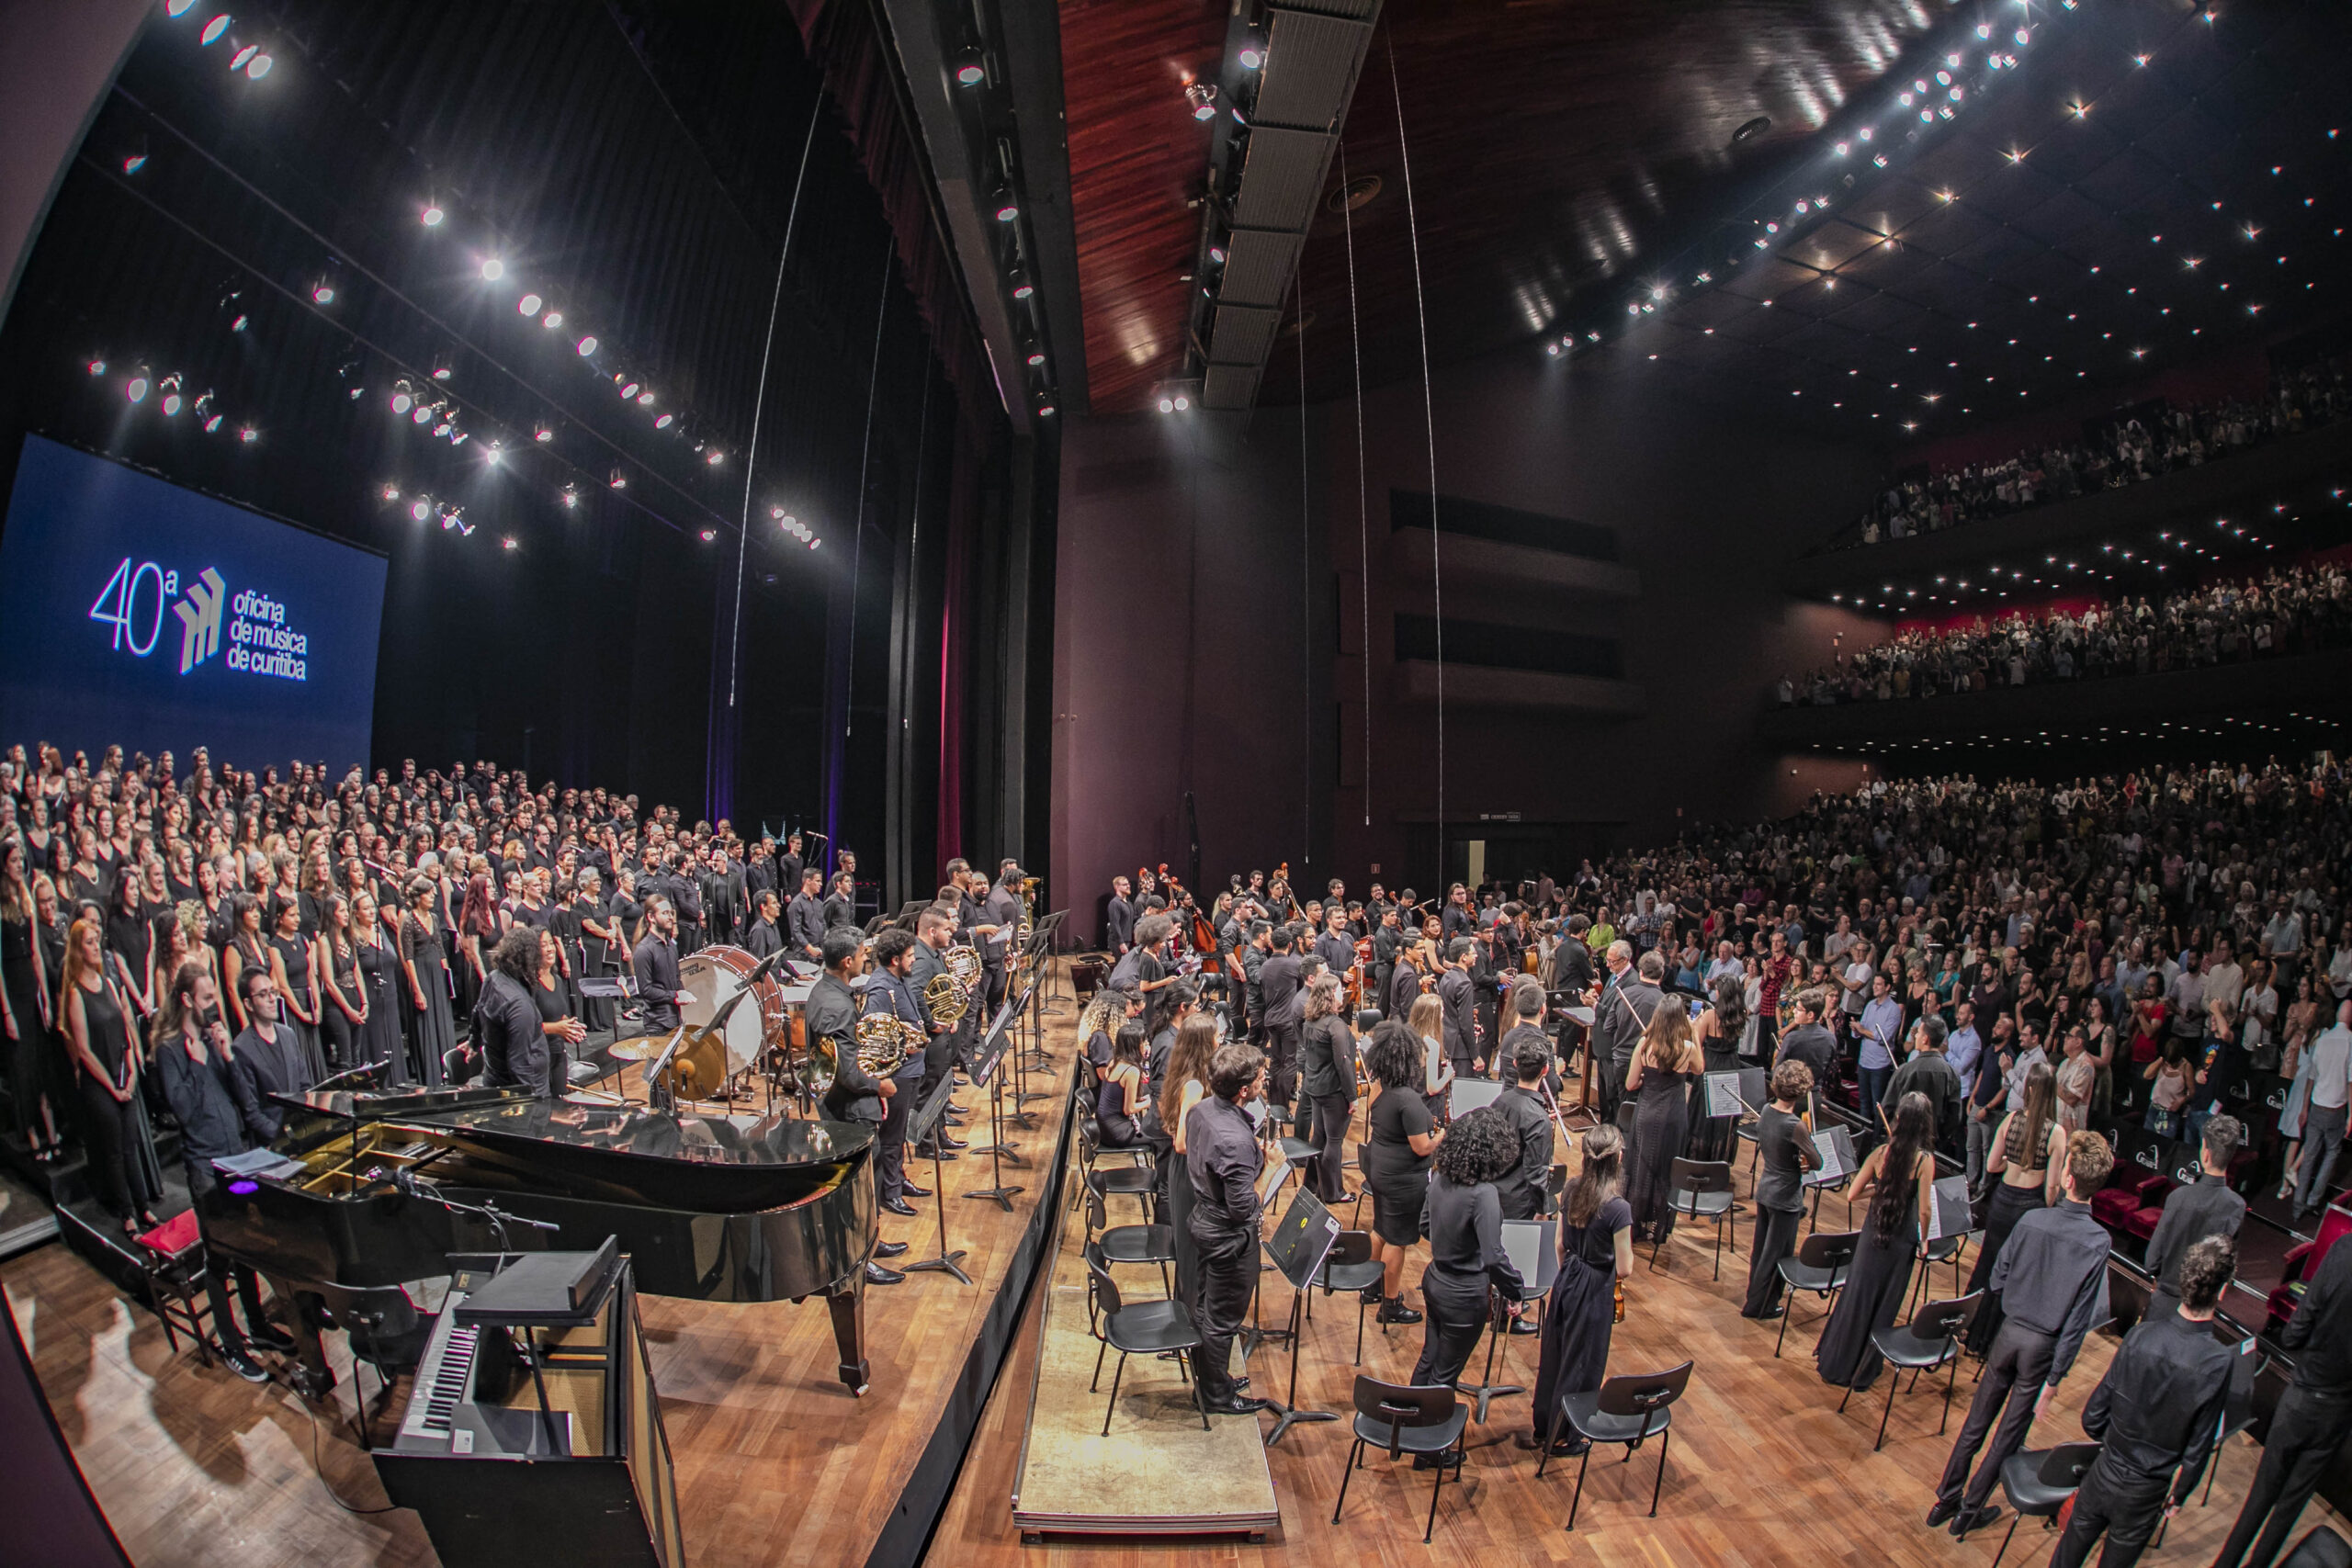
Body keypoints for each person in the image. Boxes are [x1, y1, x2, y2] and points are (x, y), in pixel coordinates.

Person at [1930, 1130, 2115, 1539]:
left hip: (2008, 1334)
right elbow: (2078, 1321)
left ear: (2067, 1176)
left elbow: (1997, 1278)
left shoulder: (2033, 1220)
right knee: (2008, 1435)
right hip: (2043, 1347)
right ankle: (1970, 1510)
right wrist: (2055, 1380)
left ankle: (1946, 1498)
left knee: (1976, 1424)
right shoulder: (2098, 1241)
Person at [2047, 1236, 2237, 1568]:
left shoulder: (2139, 1336)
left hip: (2104, 1472)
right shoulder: (2218, 1362)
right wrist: (2181, 1492)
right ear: (2221, 1291)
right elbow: (2200, 1444)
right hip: (2147, 1492)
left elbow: (2093, 1417)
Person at [146, 962, 288, 1382]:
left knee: (246, 1250)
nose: (214, 1006)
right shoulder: (171, 1049)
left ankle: (258, 1329)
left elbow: (240, 1099)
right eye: (208, 998)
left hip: (236, 1158)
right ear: (188, 999)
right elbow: (184, 1113)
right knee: (219, 1259)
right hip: (204, 1169)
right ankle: (231, 1344)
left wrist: (225, 1057)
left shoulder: (212, 1037)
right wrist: (194, 1063)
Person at [2215, 1211, 2352, 1568]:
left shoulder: (2343, 1251)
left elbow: (2296, 1330)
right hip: (2339, 1412)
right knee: (2291, 1504)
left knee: (2262, 1495)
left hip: (2304, 1396)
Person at [1411, 1106, 1528, 1462]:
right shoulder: (1485, 1195)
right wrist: (1515, 1288)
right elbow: (1493, 1256)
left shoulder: (1440, 1176)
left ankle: (1410, 1427)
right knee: (1446, 1374)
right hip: (1464, 1294)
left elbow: (1425, 1227)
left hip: (1434, 1280)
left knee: (1429, 1361)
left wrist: (1452, 1244)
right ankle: (1431, 1449)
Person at [1185, 1042, 1287, 1416]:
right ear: (1244, 1090)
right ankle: (1215, 1396)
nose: (1266, 1080)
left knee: (1205, 1309)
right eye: (1261, 1077)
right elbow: (1244, 1207)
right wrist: (1272, 1166)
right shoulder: (1235, 1140)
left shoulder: (1201, 1111)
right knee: (1222, 1319)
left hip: (1204, 1222)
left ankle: (1212, 1380)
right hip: (1229, 1237)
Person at [1524, 1124, 1634, 1457]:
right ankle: (1563, 1435)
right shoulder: (1618, 1208)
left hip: (1568, 1275)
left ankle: (1544, 1425)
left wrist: (1569, 1275)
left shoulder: (1570, 1190)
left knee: (1555, 1353)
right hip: (1596, 1283)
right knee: (1582, 1362)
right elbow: (1625, 1267)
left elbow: (1560, 1244)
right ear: (1617, 1160)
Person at [1817, 1091, 1936, 1392]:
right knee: (1884, 1304)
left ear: (1898, 1121)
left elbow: (1852, 1194)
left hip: (1873, 1235)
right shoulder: (1924, 1161)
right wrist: (1925, 1241)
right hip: (1901, 1240)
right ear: (1924, 1125)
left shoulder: (1881, 1153)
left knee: (1857, 1297)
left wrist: (1881, 1188)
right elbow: (1924, 1209)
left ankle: (1838, 1361)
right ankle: (1865, 1367)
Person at [59, 915, 159, 1233]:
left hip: (121, 1075)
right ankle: (126, 1211)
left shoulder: (111, 985)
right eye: (89, 942)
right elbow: (84, 1049)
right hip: (99, 1081)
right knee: (114, 1150)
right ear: (78, 949)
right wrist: (112, 1087)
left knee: (130, 1146)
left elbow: (125, 1033)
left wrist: (130, 1074)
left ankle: (143, 1207)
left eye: (96, 941)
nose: (95, 947)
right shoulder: (76, 993)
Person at [1963, 1060, 2066, 1356]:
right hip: (2029, 1209)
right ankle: (1989, 1341)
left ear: (2031, 1089)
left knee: (1987, 1265)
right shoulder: (2057, 1133)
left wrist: (2012, 1160)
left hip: (2002, 1202)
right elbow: (2052, 1188)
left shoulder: (2010, 1121)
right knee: (2011, 1275)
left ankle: (1966, 1328)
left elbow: (1993, 1165)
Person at [1359, 1019, 1440, 1324]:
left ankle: (1370, 1287)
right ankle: (1390, 1303)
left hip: (1378, 1166)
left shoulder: (1378, 1087)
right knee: (1398, 1240)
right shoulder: (1408, 1099)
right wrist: (1440, 1138)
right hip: (1403, 1178)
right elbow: (1421, 1147)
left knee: (1380, 1228)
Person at [2140, 1113, 2245, 1320]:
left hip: (2163, 1300)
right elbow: (2227, 1265)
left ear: (2205, 1152)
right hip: (2199, 1311)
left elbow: (2151, 1261)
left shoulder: (2178, 1197)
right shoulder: (2236, 1206)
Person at [1740, 1058, 1822, 1318]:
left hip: (1766, 1188)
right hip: (1786, 1197)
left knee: (1760, 1250)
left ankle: (1754, 1297)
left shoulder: (1766, 1110)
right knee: (1776, 1254)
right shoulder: (1795, 1125)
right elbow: (1817, 1161)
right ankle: (1761, 1306)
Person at [1623, 995, 1704, 1246]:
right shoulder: (1688, 1048)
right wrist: (1693, 1032)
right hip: (1674, 1117)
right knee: (1666, 1171)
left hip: (1646, 1113)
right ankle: (1659, 1229)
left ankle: (1635, 1226)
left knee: (1640, 1169)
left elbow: (1630, 1084)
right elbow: (1699, 1070)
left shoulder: (1645, 1045)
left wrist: (1645, 1081)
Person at [863, 927, 932, 1217]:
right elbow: (874, 1037)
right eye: (910, 956)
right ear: (894, 960)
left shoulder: (899, 979)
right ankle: (889, 1193)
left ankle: (898, 1178)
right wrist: (906, 1044)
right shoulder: (880, 989)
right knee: (892, 1137)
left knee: (902, 1132)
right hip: (900, 1074)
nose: (914, 960)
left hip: (913, 1069)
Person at [1158, 1013, 1220, 1309]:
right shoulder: (1194, 1086)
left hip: (1182, 1170)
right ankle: (1190, 1321)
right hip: (1188, 1174)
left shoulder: (1185, 1075)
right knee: (1190, 1250)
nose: (1220, 1042)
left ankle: (1187, 1313)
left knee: (1189, 1249)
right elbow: (1181, 1143)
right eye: (1216, 1037)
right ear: (1204, 1044)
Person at [228, 966, 317, 1142]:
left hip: (302, 1134)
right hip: (272, 1142)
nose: (271, 999)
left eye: (272, 992)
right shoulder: (242, 1048)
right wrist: (283, 1138)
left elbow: (305, 1086)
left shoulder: (288, 1034)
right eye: (263, 994)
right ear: (248, 1004)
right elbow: (251, 1111)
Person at [1296, 973, 1357, 1202]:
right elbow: (1343, 1062)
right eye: (1340, 989)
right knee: (1334, 1140)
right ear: (1331, 994)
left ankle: (1311, 1183)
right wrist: (1352, 1096)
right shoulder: (1335, 1025)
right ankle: (1333, 1192)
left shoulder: (1310, 1021)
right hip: (1333, 1091)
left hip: (1313, 1087)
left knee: (1319, 1136)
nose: (1344, 992)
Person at [2292, 998, 2352, 1224]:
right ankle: (2313, 1200)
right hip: (2336, 1108)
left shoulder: (2323, 1040)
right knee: (2331, 1152)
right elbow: (2350, 1081)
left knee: (2310, 1154)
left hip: (2317, 1104)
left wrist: (2304, 1107)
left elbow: (2311, 1077)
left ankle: (2298, 1204)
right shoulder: (2350, 1042)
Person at [475, 928, 552, 1095]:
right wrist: (534, 1103)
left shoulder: (493, 977)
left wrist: (472, 1043)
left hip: (494, 1079)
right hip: (527, 1093)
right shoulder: (520, 1007)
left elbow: (478, 1010)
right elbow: (519, 1065)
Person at [1493, 1029, 1556, 1224]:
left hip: (1492, 1196)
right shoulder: (1539, 1120)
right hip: (1519, 1206)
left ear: (1514, 1064)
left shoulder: (1499, 1101)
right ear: (1545, 1070)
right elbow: (1536, 1174)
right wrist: (1542, 1211)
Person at [632, 894, 689, 1033]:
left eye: (671, 913)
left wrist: (681, 992)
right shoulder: (644, 950)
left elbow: (676, 978)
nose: (670, 917)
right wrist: (675, 996)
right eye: (665, 913)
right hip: (657, 1023)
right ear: (651, 917)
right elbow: (646, 990)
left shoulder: (671, 945)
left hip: (675, 1019)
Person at [1096, 1021, 1148, 1149]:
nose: (1146, 1045)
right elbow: (1128, 1109)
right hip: (1118, 1133)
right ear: (1135, 1046)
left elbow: (1118, 1098)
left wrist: (1140, 1099)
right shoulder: (1131, 1071)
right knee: (1162, 1138)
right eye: (1144, 1042)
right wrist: (1149, 1102)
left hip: (1104, 1130)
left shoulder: (1114, 1062)